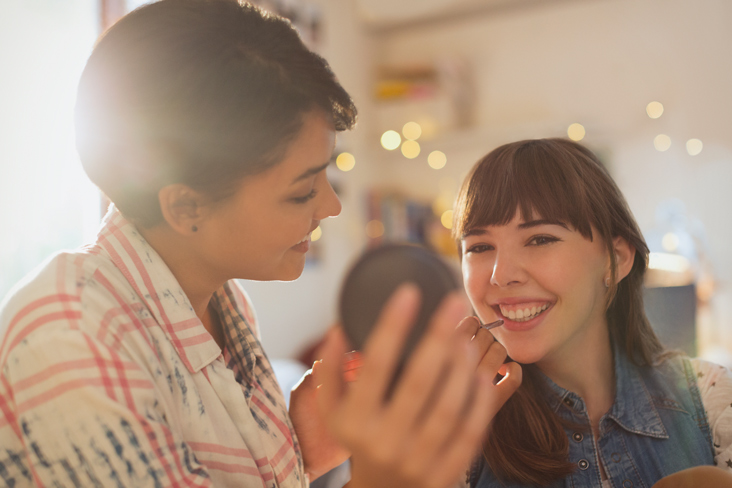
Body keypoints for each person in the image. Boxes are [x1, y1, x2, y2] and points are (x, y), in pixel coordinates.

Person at [0, 1, 522, 487]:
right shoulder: (71, 336)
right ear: (186, 208)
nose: (331, 208)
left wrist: (299, 448)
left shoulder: (227, 306)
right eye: (301, 192)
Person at [452, 138, 732, 488]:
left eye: (540, 239)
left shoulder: (712, 399)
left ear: (617, 258)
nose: (500, 274)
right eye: (479, 247)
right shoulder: (454, 436)